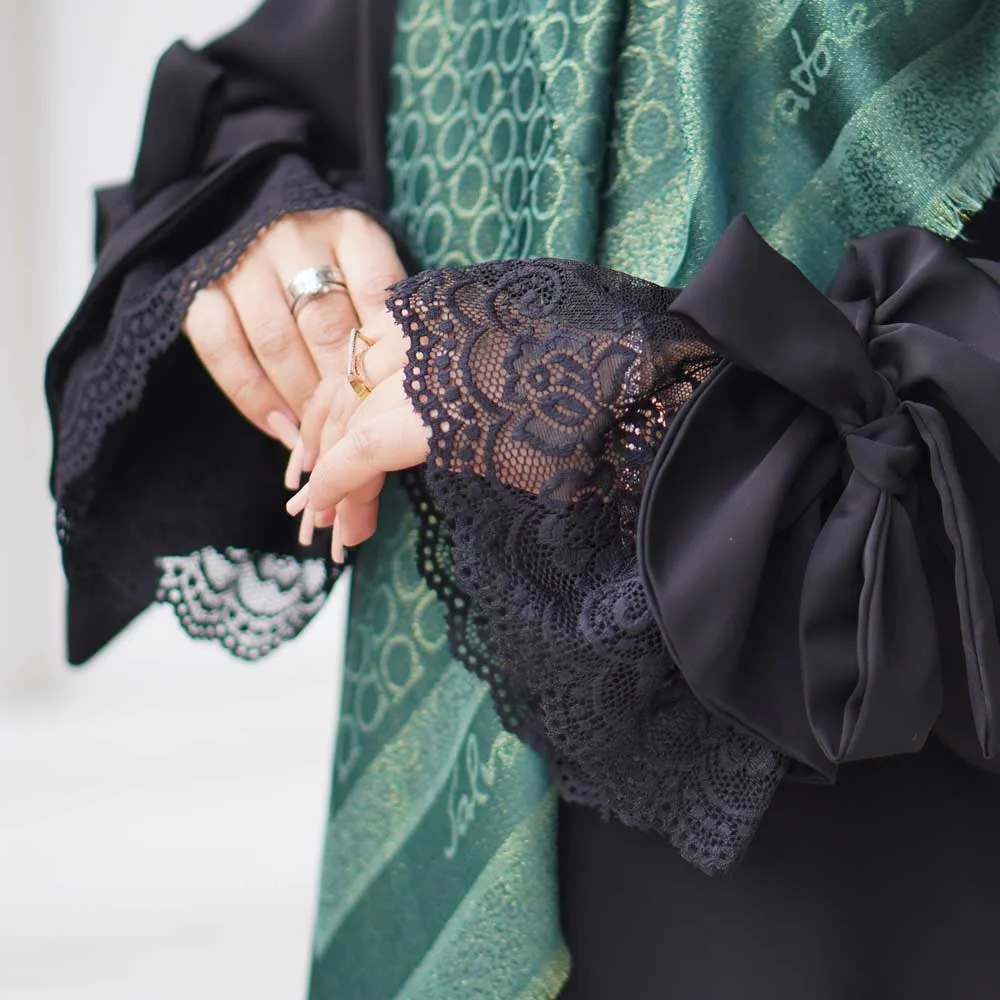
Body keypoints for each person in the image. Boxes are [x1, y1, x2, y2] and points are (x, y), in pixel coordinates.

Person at [46, 1, 1000, 997]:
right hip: (463, 745)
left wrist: (610, 406)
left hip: (857, 831)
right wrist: (286, 241)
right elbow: (285, 83)